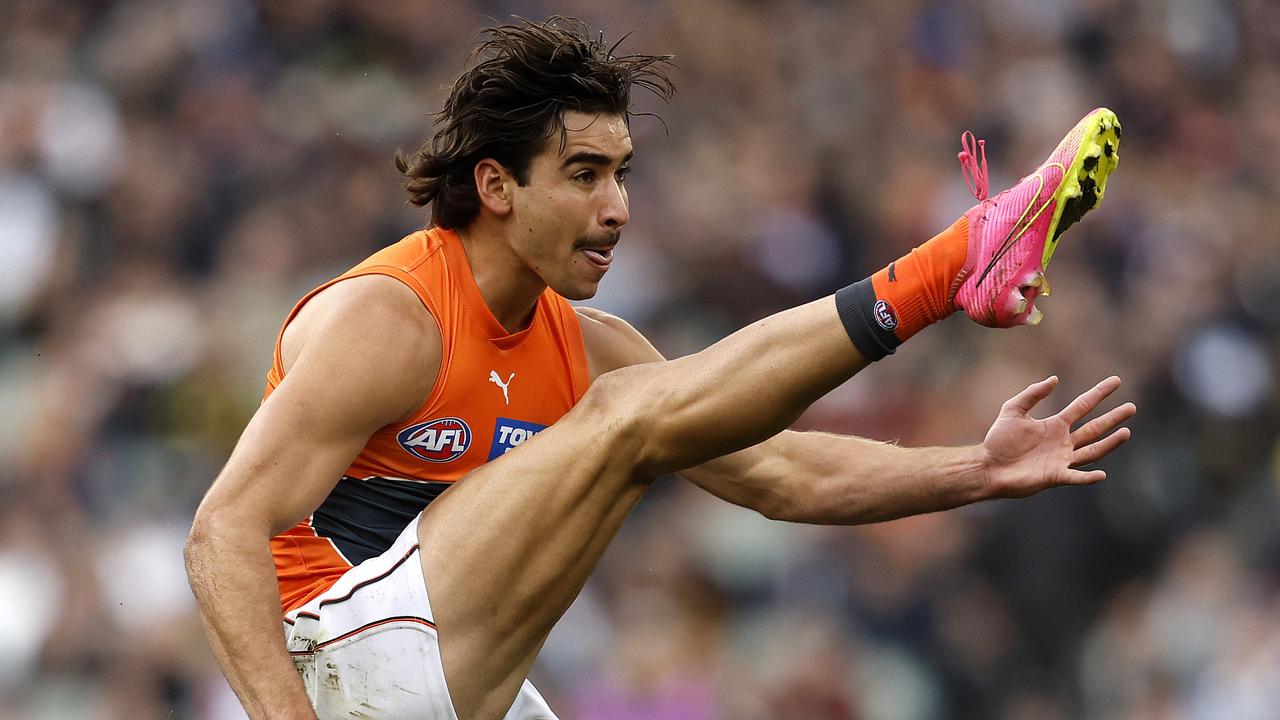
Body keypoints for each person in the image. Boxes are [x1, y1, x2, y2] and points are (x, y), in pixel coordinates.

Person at [183, 17, 1132, 720]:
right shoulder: (391, 319)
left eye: (623, 173)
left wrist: (979, 468)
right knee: (627, 414)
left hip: (448, 682)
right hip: (330, 669)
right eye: (585, 174)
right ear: (496, 187)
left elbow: (781, 474)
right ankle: (955, 261)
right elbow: (220, 531)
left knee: (634, 407)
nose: (619, 208)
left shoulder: (588, 346)